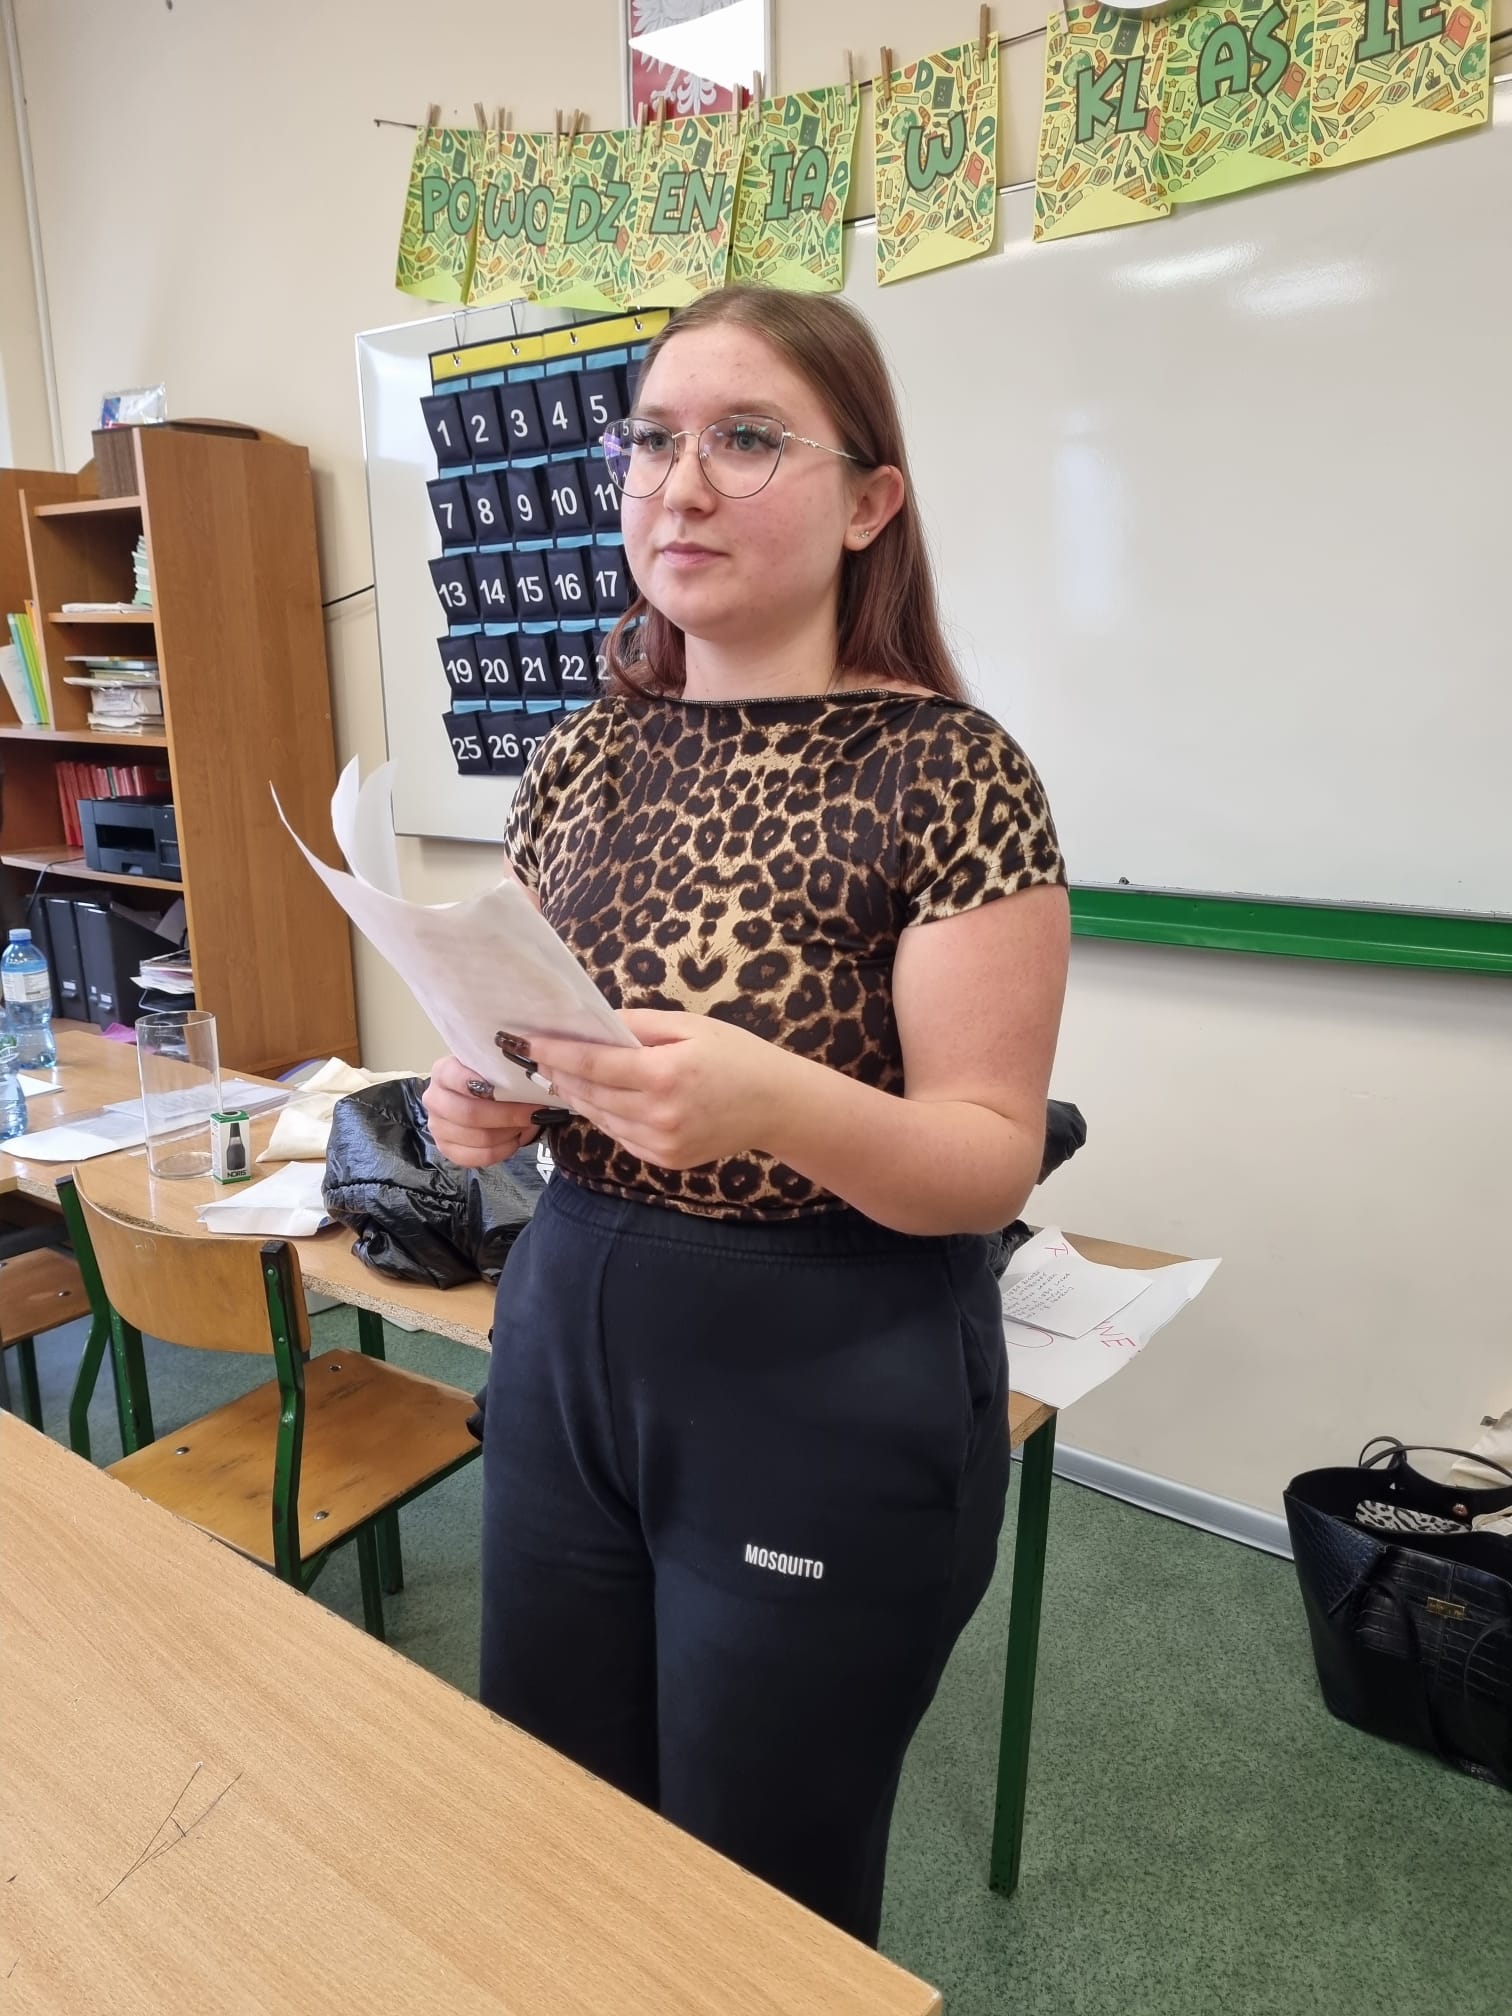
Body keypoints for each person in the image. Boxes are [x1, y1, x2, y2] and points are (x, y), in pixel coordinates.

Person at [423, 285, 1069, 1944]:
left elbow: (988, 1155)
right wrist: (481, 1098)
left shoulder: (951, 772)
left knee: (755, 1891)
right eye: (652, 441)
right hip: (568, 1334)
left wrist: (771, 1099)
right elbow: (535, 1037)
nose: (680, 485)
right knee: (552, 1816)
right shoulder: (579, 760)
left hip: (823, 1374)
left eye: (748, 440)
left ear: (869, 502)